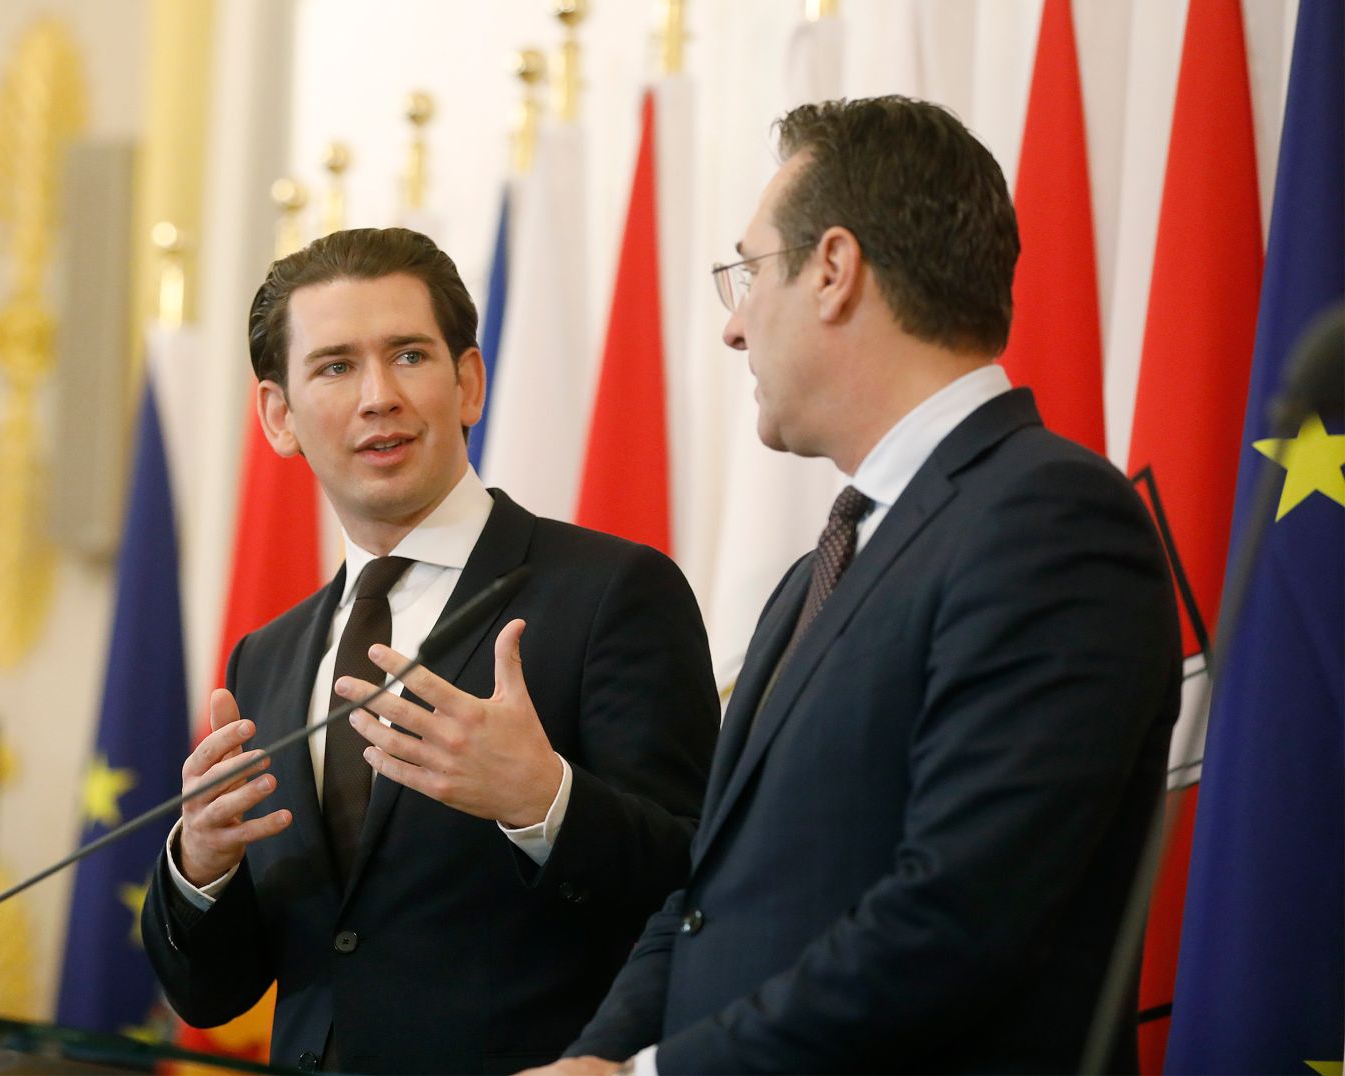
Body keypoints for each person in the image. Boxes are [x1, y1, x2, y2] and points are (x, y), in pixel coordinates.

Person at [540, 97, 1181, 1074]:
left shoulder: (1050, 520)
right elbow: (703, 899)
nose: (732, 328)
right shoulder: (815, 575)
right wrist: (596, 1058)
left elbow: (955, 917)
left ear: (833, 269)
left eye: (748, 273)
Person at [141, 227, 720, 1075]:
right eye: (335, 367)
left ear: (469, 382)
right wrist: (201, 865)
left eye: (408, 355)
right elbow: (213, 994)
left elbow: (699, 884)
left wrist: (544, 801)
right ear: (279, 416)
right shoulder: (265, 658)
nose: (378, 396)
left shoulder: (610, 594)